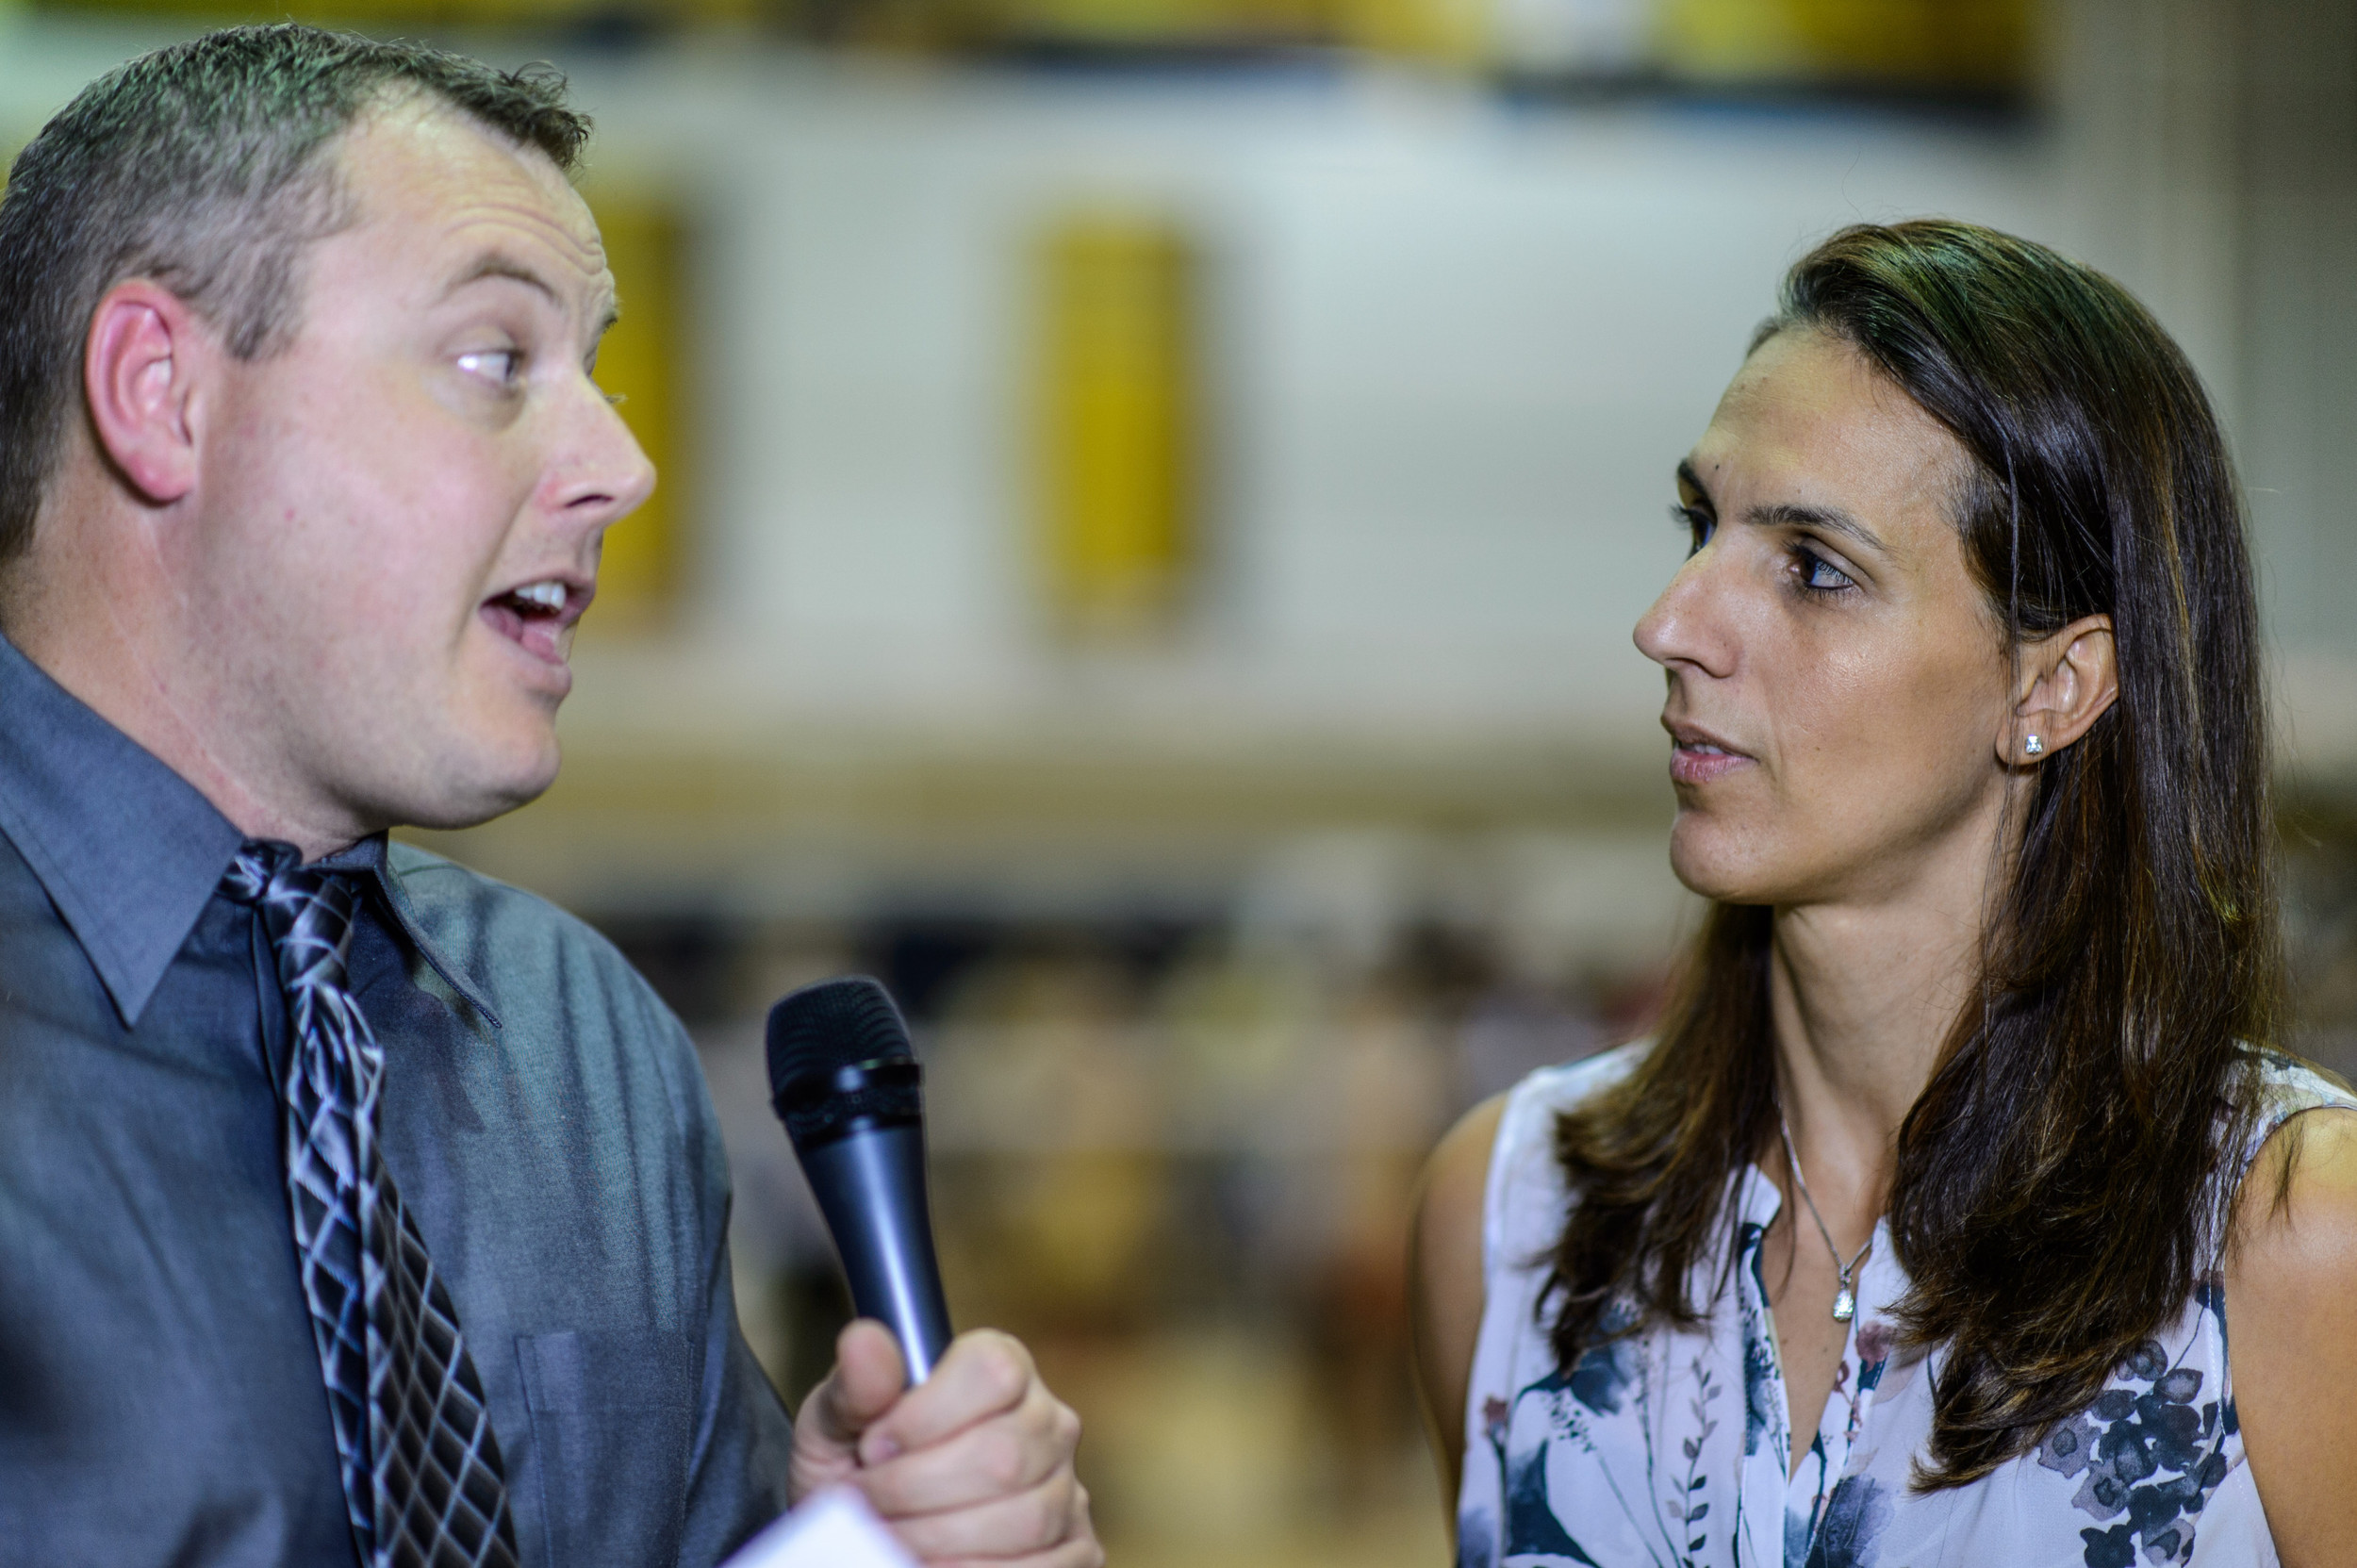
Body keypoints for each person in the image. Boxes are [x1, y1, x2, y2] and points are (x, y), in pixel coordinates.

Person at [0, 25, 1097, 1568]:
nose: (625, 463)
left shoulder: (586, 1051)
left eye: (598, 371)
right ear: (160, 393)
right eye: (497, 360)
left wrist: (856, 1540)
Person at [1410, 221, 2357, 1568]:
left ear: (2053, 686)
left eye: (1812, 567)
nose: (1673, 621)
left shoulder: (2293, 1246)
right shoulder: (1514, 1225)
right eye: (1702, 524)